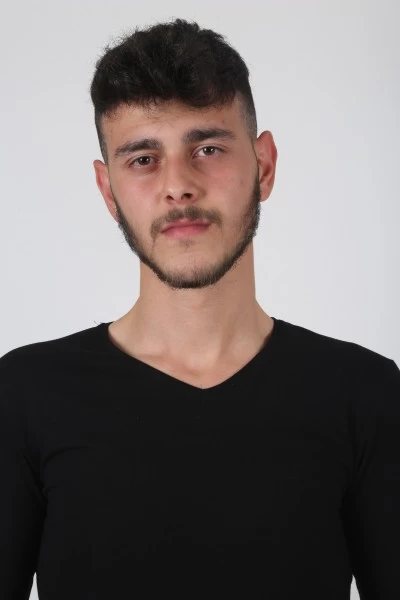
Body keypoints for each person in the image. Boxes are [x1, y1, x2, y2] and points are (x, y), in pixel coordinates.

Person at [0, 18, 399, 600]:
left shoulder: (365, 395)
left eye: (208, 149)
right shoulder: (23, 395)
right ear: (108, 190)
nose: (178, 186)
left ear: (264, 165)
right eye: (143, 159)